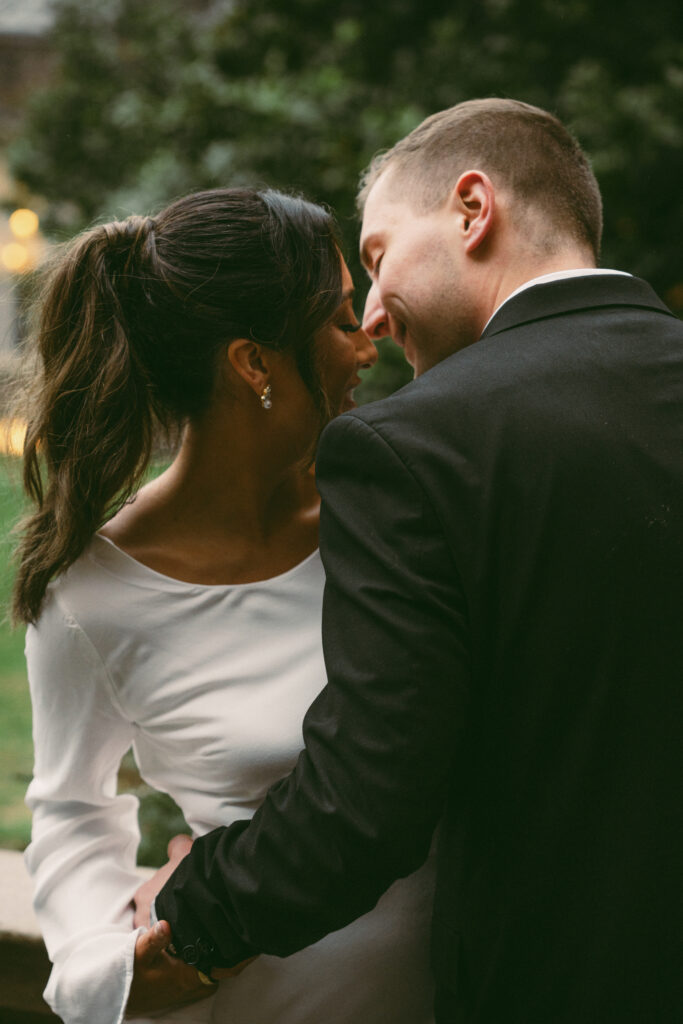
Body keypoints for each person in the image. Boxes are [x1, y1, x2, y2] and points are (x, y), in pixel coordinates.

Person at [150, 100, 683, 1022]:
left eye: (377, 256)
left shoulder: (412, 449)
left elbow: (365, 803)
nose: (371, 314)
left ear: (472, 209)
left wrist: (196, 914)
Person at [14, 187, 440, 1024]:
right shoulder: (92, 597)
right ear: (255, 363)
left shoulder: (393, 518)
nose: (369, 343)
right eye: (341, 319)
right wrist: (109, 970)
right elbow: (70, 811)